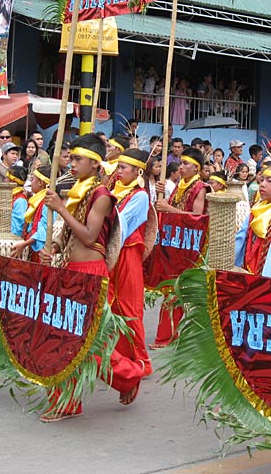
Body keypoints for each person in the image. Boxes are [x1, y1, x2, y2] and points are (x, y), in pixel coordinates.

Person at [40, 134, 144, 422]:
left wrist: (60, 208)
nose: (71, 164)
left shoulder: (101, 196)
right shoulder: (79, 190)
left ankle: (129, 375)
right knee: (65, 336)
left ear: (96, 164)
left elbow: (88, 236)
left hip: (90, 274)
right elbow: (70, 234)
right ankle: (68, 401)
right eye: (70, 158)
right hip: (71, 270)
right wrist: (56, 248)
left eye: (77, 159)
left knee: (85, 342)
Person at [152, 147, 209, 349]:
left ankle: (169, 336)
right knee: (171, 289)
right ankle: (170, 335)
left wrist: (169, 209)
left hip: (189, 246)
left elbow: (197, 218)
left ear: (196, 167)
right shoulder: (179, 185)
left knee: (178, 291)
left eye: (186, 164)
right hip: (174, 244)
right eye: (181, 163)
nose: (181, 167)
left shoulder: (200, 187)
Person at [109, 148, 153, 376]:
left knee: (128, 306)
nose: (118, 172)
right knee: (110, 304)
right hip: (113, 254)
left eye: (123, 168)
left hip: (127, 254)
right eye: (118, 167)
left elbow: (121, 224)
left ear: (137, 171)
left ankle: (141, 360)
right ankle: (119, 356)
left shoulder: (140, 196)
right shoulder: (113, 190)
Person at [11, 165, 53, 263]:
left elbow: (43, 231)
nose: (30, 183)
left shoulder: (48, 202)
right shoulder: (37, 200)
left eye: (33, 179)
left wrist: (24, 244)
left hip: (42, 252)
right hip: (33, 249)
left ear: (40, 182)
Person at [6, 165, 28, 238]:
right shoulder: (11, 197)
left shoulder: (20, 201)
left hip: (11, 239)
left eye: (7, 178)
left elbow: (18, 227)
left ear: (12, 181)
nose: (4, 180)